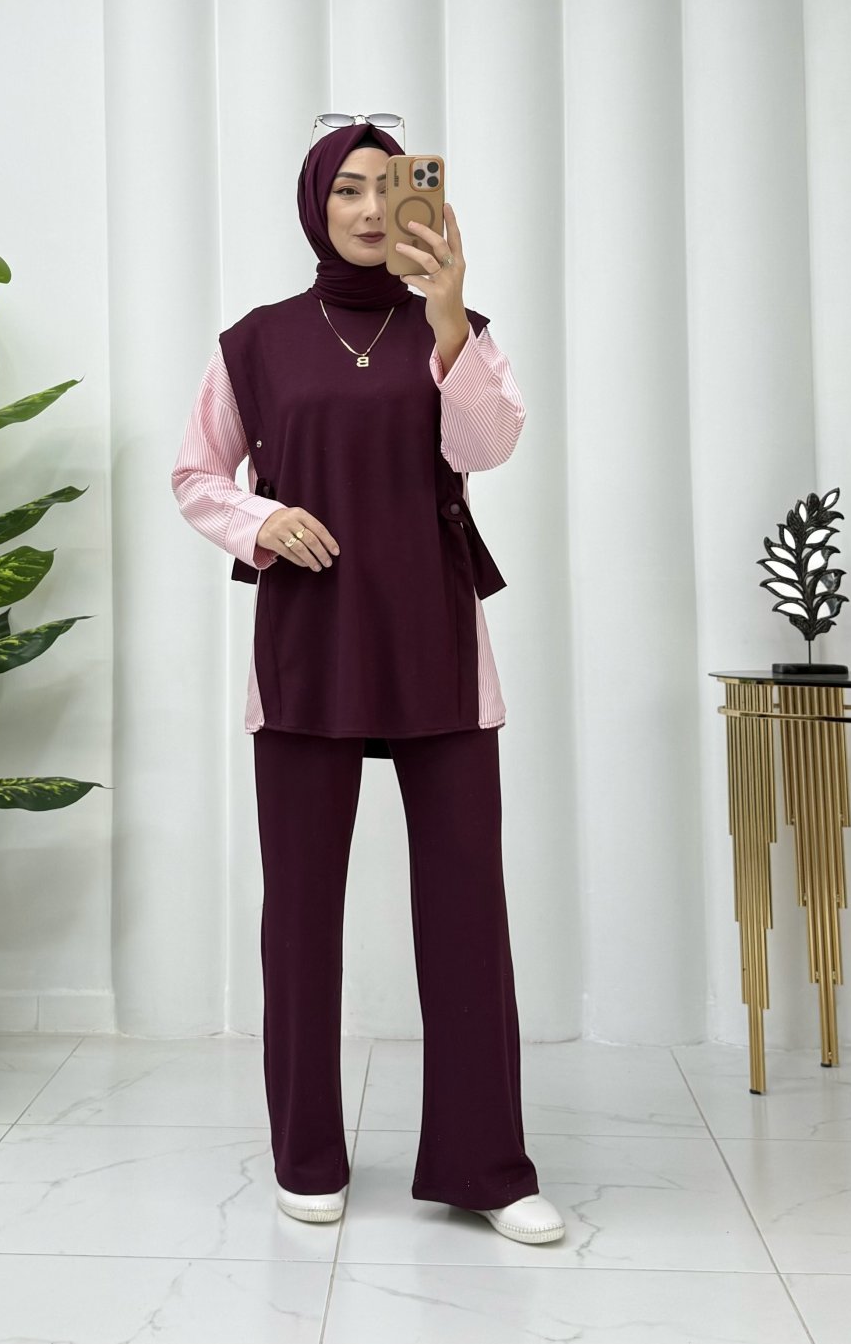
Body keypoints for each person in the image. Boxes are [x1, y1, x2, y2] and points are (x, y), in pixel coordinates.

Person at [171, 116, 565, 1245]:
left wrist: (448, 314)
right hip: (307, 648)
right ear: (316, 203)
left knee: (466, 910)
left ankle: (487, 1165)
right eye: (347, 187)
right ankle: (306, 1151)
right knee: (299, 913)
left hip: (437, 645)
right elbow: (196, 474)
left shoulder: (456, 328)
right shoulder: (256, 342)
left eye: (391, 185)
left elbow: (486, 448)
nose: (369, 207)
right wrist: (259, 519)